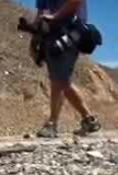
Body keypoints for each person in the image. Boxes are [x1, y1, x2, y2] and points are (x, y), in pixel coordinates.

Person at [35, 0, 102, 138]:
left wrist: (55, 17)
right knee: (61, 79)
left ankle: (52, 123)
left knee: (58, 79)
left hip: (69, 31)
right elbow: (41, 13)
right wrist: (36, 35)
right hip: (52, 34)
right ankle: (88, 119)